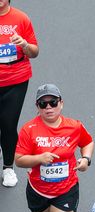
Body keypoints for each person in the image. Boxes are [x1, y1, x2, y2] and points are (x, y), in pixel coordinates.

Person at [14, 83, 94, 212]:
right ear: (37, 107)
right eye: (43, 104)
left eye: (52, 102)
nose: (48, 107)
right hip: (38, 189)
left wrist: (86, 159)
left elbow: (88, 142)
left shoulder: (74, 126)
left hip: (66, 189)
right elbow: (19, 160)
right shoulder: (29, 129)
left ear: (61, 103)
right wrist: (39, 158)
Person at [0, 0, 38, 187]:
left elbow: (34, 52)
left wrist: (24, 44)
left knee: (8, 124)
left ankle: (8, 167)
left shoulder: (21, 18)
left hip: (15, 81)